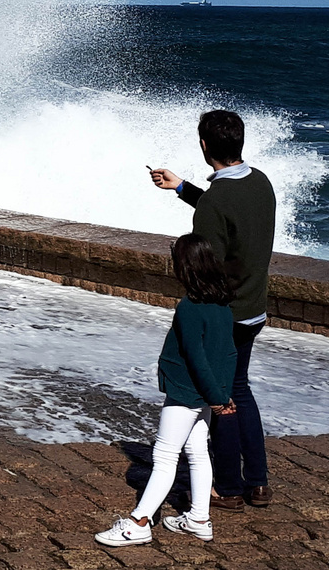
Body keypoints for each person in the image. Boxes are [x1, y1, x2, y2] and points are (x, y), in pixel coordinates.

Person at [148, 109, 276, 510]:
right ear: (239, 142)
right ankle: (256, 482)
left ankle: (228, 488)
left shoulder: (218, 199)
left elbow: (206, 264)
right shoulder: (260, 182)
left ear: (204, 146)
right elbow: (227, 216)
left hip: (225, 314)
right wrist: (182, 187)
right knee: (240, 389)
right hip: (254, 307)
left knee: (219, 398)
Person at [94, 233, 237, 547]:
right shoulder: (223, 306)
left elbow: (196, 358)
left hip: (187, 392)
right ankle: (199, 518)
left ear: (185, 268)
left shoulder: (190, 307)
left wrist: (215, 397)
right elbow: (229, 354)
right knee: (198, 452)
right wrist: (221, 394)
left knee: (164, 455)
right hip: (208, 394)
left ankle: (138, 522)